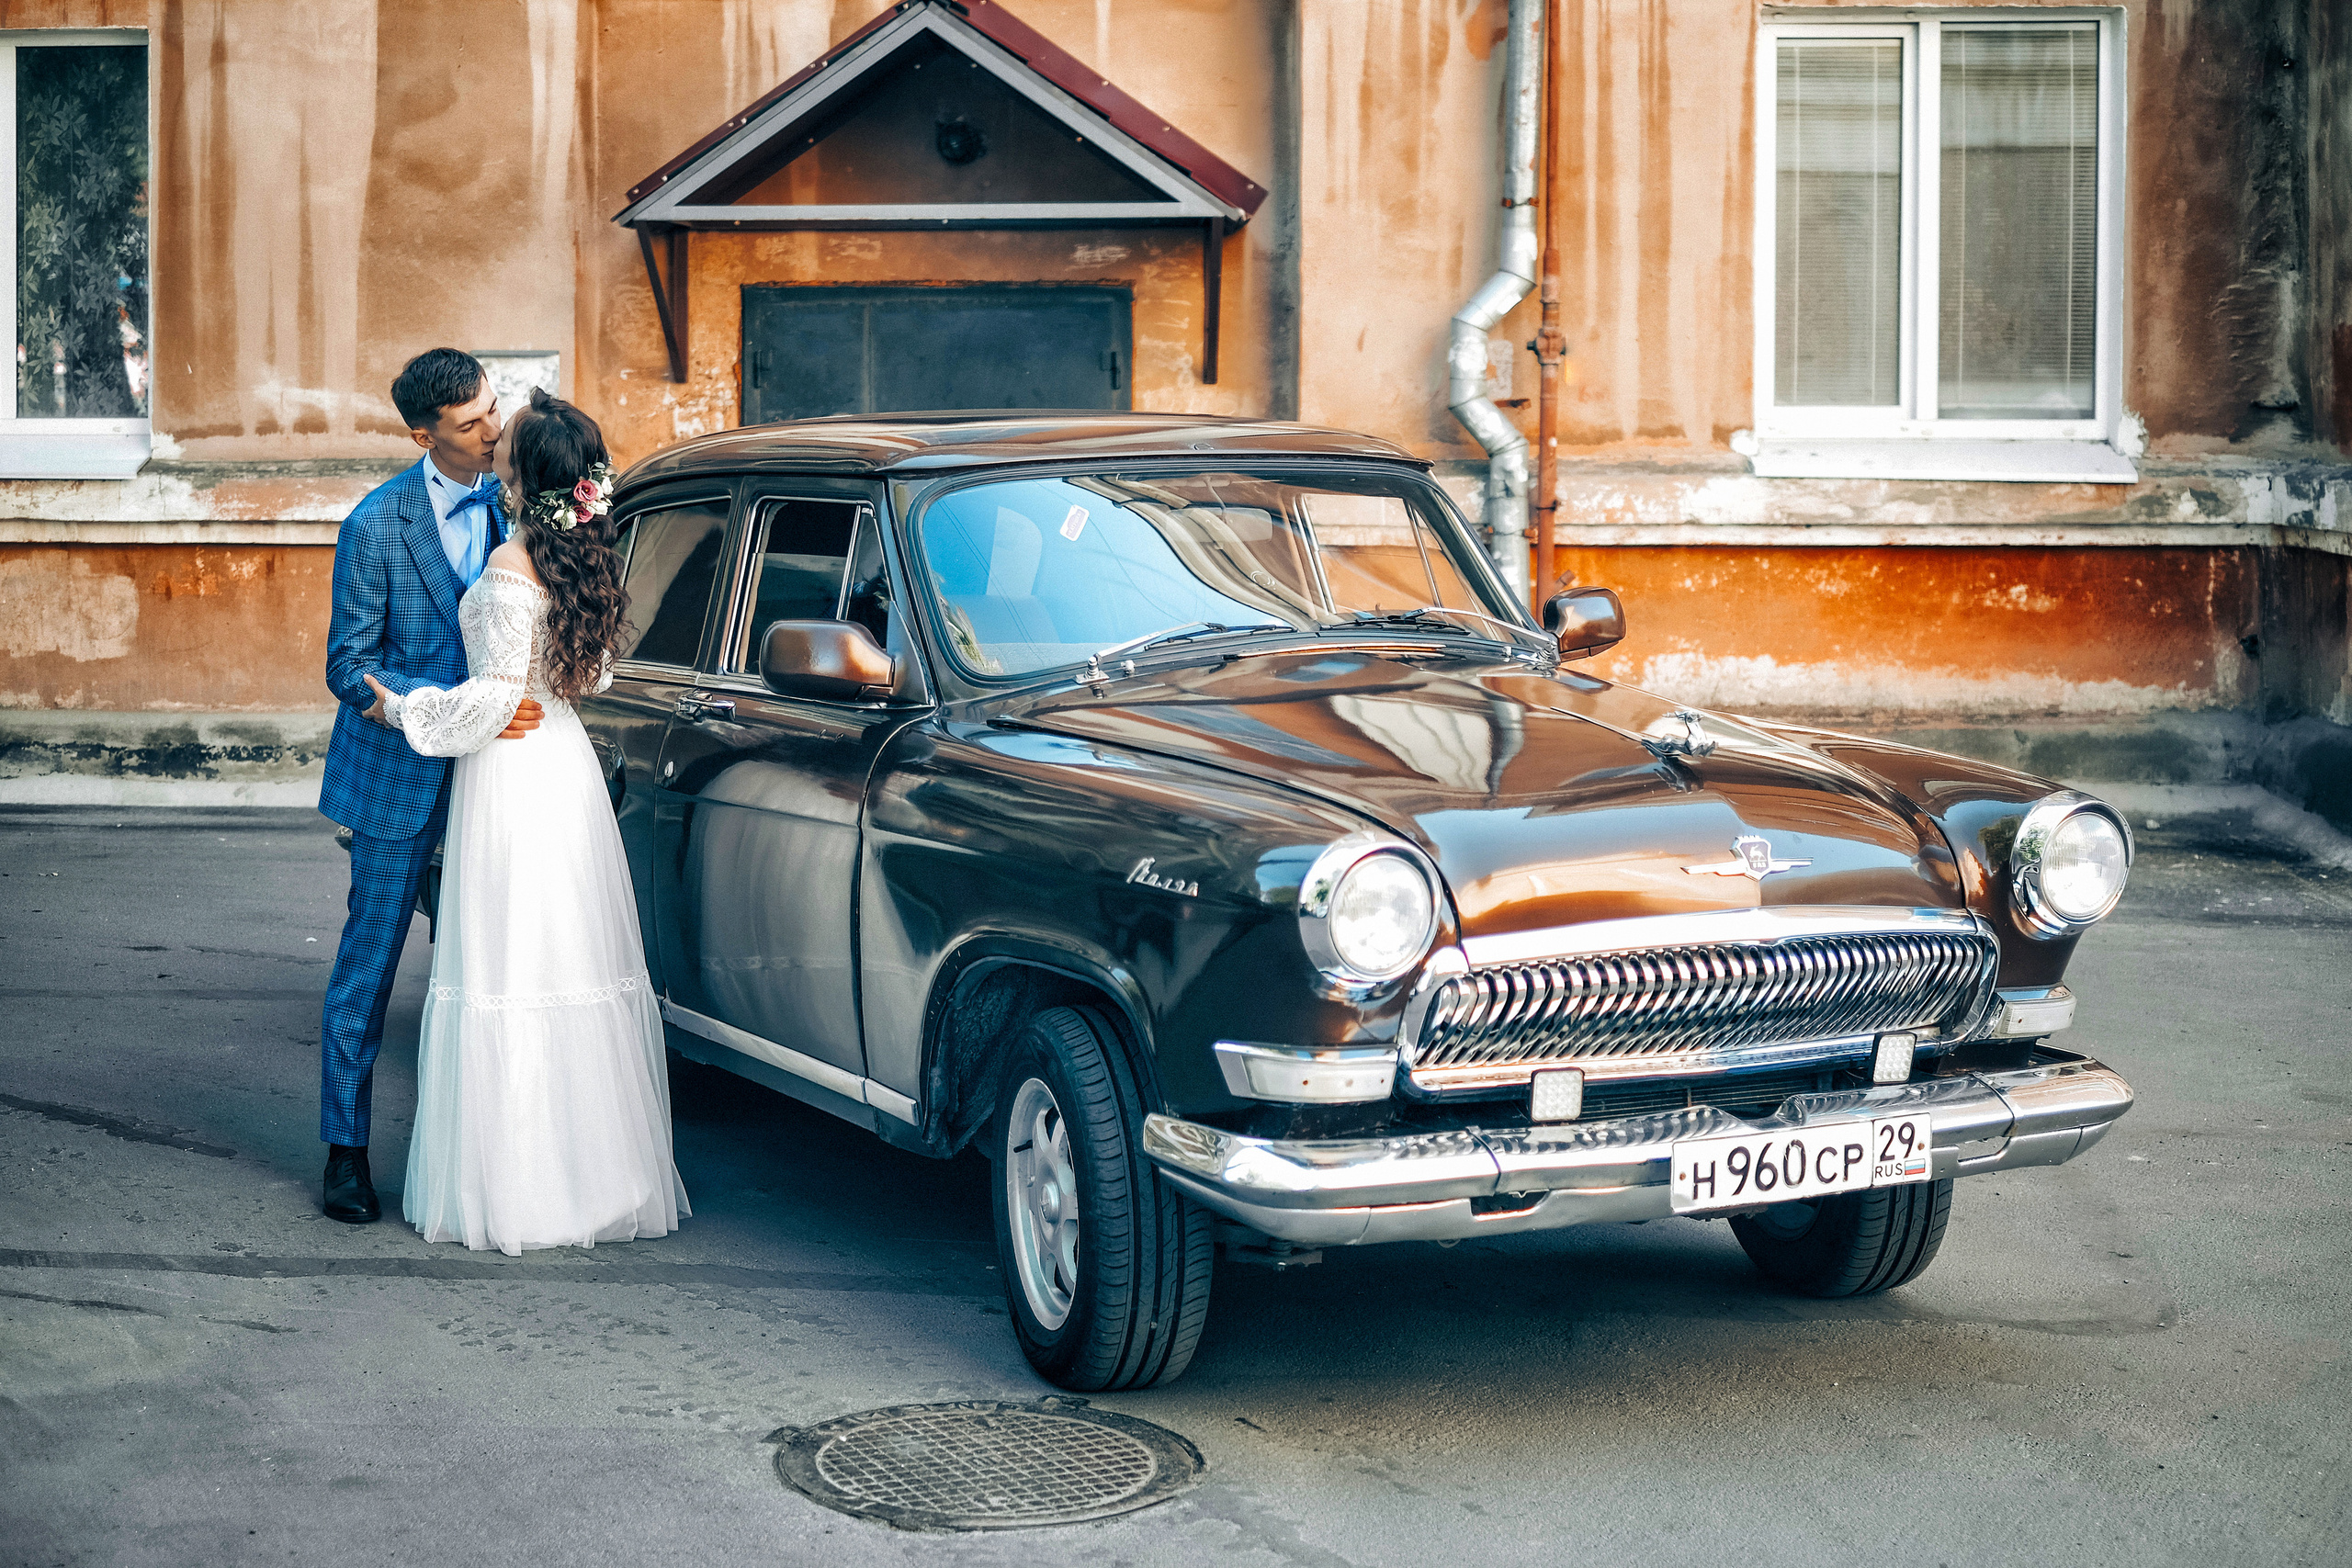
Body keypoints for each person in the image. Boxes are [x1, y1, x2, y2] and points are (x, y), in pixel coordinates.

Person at [360, 388, 688, 1255]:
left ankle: (521, 1191)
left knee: (512, 966)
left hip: (511, 778)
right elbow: (594, 679)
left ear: (524, 477)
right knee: (566, 961)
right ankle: (596, 1177)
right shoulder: (583, 558)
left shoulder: (510, 569)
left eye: (506, 451)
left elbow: (493, 702)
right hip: (566, 770)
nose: (495, 448)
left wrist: (400, 710)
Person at [318, 349, 542, 1225]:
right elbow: (347, 665)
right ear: (424, 435)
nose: (493, 431)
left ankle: (492, 1155)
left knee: (492, 963)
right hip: (395, 779)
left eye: (493, 410)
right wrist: (443, 712)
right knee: (369, 967)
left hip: (499, 781)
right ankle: (346, 1149)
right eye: (471, 423)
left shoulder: (515, 506)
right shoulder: (375, 526)